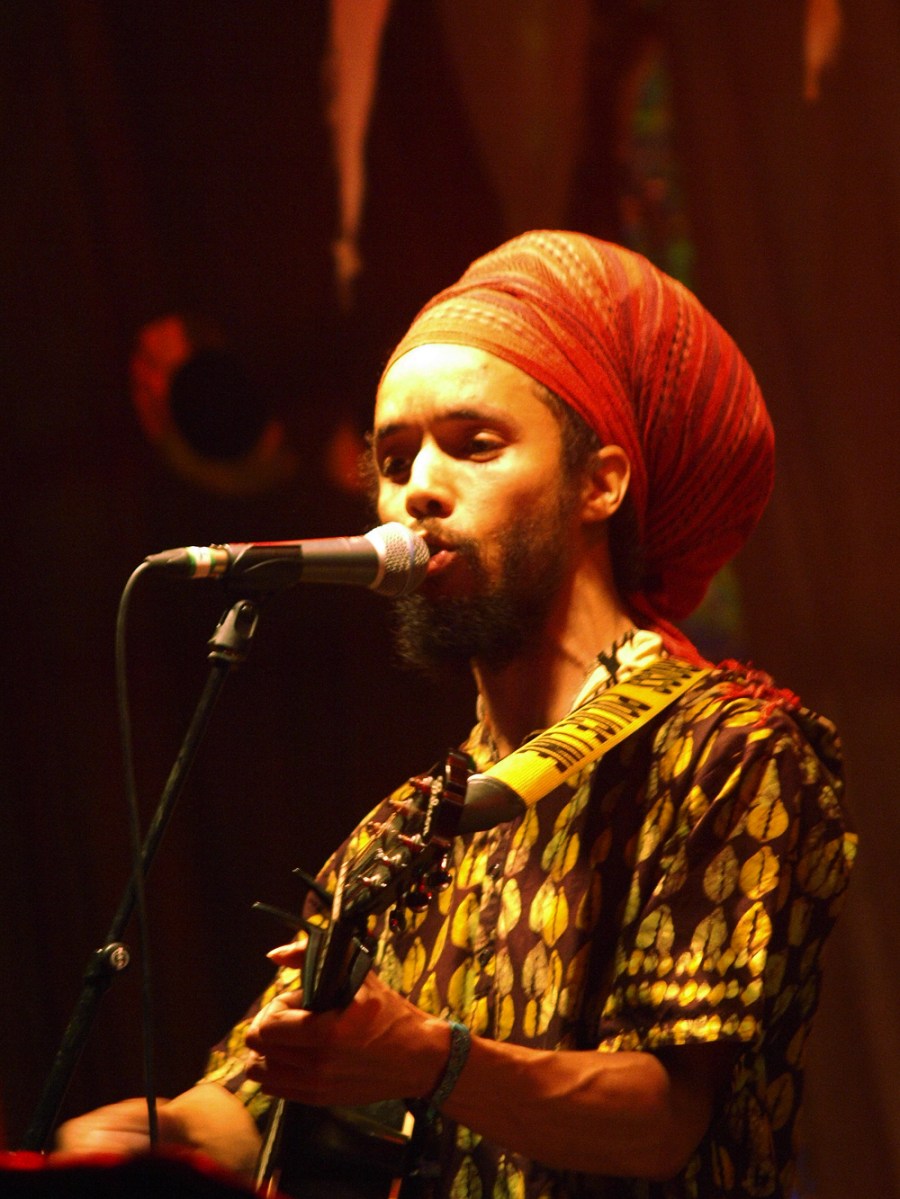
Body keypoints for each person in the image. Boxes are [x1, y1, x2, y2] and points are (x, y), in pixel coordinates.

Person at [55, 232, 856, 1198]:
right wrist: (155, 1134)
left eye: (473, 444)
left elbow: (668, 1122)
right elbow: (256, 1106)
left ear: (600, 483)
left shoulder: (726, 749)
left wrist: (428, 1057)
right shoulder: (403, 831)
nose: (418, 489)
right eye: (394, 459)